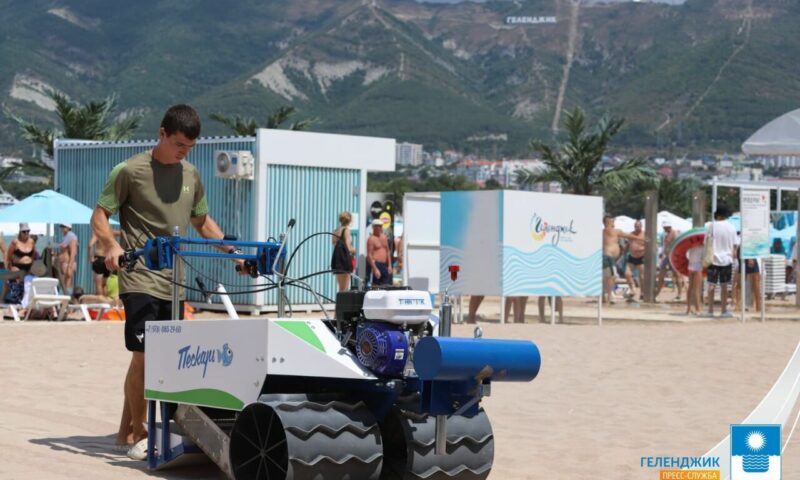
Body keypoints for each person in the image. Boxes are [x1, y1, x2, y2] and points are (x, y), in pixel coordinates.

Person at [90, 105, 243, 460]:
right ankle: (140, 430)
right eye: (177, 144)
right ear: (161, 134)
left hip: (175, 282)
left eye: (188, 147)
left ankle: (126, 428)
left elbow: (202, 221)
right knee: (144, 354)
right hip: (140, 275)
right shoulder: (129, 170)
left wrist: (234, 252)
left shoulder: (191, 174)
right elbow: (99, 215)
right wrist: (111, 244)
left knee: (161, 359)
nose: (182, 152)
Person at [704, 208, 737, 318]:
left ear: (717, 216)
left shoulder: (711, 226)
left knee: (711, 285)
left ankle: (710, 310)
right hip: (727, 259)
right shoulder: (731, 227)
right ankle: (723, 310)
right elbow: (735, 245)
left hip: (713, 259)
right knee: (724, 285)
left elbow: (706, 242)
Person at [602, 216, 643, 305]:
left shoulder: (602, 232)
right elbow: (628, 235)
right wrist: (642, 239)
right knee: (612, 277)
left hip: (606, 257)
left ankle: (606, 295)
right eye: (613, 221)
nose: (614, 223)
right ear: (609, 222)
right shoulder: (616, 231)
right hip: (609, 257)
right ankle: (609, 296)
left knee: (607, 277)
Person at [655, 221, 683, 301]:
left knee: (677, 276)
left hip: (674, 257)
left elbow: (678, 245)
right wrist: (663, 253)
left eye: (664, 227)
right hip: (667, 257)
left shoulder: (675, 234)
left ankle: (679, 294)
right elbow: (666, 246)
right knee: (661, 275)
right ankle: (657, 293)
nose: (663, 229)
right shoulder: (666, 235)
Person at [331, 211, 355, 292]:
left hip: (336, 259)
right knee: (344, 288)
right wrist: (354, 250)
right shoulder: (346, 230)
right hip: (344, 260)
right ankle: (343, 304)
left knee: (340, 287)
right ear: (349, 220)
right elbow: (348, 247)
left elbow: (334, 243)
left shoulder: (335, 231)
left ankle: (339, 303)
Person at [623, 220, 646, 301]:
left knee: (642, 276)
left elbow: (651, 245)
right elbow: (628, 245)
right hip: (632, 257)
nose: (637, 228)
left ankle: (642, 293)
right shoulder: (631, 234)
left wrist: (642, 249)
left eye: (638, 226)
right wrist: (624, 254)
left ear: (641, 226)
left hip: (641, 257)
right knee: (627, 273)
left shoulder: (645, 234)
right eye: (635, 226)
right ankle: (633, 289)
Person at [367, 219, 392, 286]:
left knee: (386, 285)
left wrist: (389, 265)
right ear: (374, 227)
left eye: (381, 226)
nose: (380, 228)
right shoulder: (371, 239)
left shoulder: (384, 237)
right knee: (376, 286)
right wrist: (375, 269)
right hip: (376, 264)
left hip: (384, 265)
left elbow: (388, 251)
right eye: (379, 226)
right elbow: (369, 255)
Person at [57, 223, 79, 294]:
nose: (62, 228)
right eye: (62, 226)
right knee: (63, 282)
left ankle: (67, 300)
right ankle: (63, 300)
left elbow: (73, 252)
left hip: (67, 263)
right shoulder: (65, 236)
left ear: (68, 227)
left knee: (67, 283)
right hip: (64, 263)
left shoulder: (71, 236)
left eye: (64, 226)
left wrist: (70, 265)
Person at [685, 245, 703, 315]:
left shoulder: (691, 246)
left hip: (690, 266)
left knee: (690, 288)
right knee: (696, 289)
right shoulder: (702, 247)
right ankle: (698, 309)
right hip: (698, 267)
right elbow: (704, 258)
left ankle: (688, 308)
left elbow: (687, 255)